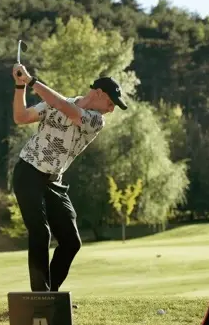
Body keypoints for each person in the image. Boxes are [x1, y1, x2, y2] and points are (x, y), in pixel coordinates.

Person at [11, 63, 128, 293]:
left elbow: (66, 109)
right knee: (40, 232)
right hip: (28, 173)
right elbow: (21, 117)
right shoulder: (53, 103)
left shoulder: (96, 120)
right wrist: (19, 85)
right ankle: (41, 296)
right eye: (110, 103)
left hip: (53, 181)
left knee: (71, 241)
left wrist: (31, 81)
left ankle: (51, 295)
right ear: (98, 93)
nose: (111, 109)